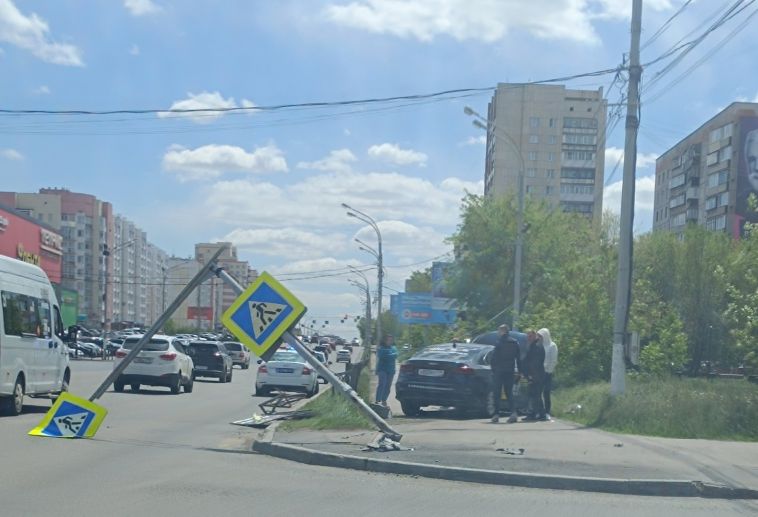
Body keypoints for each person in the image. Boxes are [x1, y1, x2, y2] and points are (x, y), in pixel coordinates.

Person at [489, 324, 521, 423]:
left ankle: (496, 414)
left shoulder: (499, 342)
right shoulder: (515, 342)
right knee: (509, 393)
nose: (498, 333)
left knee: (497, 393)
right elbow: (518, 359)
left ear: (503, 331)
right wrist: (519, 371)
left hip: (499, 371)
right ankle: (513, 413)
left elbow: (493, 358)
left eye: (499, 330)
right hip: (510, 370)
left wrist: (493, 369)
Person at [523, 330, 546, 421]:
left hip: (537, 375)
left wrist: (531, 375)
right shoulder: (532, 346)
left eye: (530, 336)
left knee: (536, 395)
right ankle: (535, 413)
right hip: (534, 375)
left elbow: (535, 363)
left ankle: (539, 414)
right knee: (533, 395)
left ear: (535, 336)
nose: (528, 338)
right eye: (528, 336)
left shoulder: (537, 346)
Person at [540, 327, 559, 420]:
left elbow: (553, 360)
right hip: (539, 372)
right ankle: (539, 411)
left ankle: (547, 411)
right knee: (538, 392)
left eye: (542, 336)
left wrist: (548, 370)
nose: (540, 337)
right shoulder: (539, 345)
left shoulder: (552, 345)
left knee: (546, 392)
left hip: (547, 372)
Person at [375, 334, 398, 407]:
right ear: (384, 340)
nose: (389, 341)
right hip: (382, 369)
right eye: (388, 340)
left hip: (391, 370)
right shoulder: (381, 348)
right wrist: (391, 355)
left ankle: (384, 400)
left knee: (388, 386)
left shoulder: (394, 348)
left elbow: (396, 355)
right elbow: (382, 356)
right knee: (382, 383)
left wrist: (390, 355)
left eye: (391, 340)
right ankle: (378, 400)